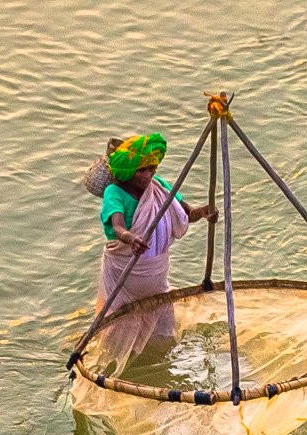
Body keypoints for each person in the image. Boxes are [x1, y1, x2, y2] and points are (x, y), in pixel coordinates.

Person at [89, 132, 218, 347]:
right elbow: (117, 225)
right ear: (128, 172)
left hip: (154, 270)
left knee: (163, 326)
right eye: (142, 170)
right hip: (125, 270)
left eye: (151, 169)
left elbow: (186, 213)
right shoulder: (115, 192)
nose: (148, 175)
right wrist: (131, 239)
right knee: (116, 325)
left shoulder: (158, 186)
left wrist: (205, 212)